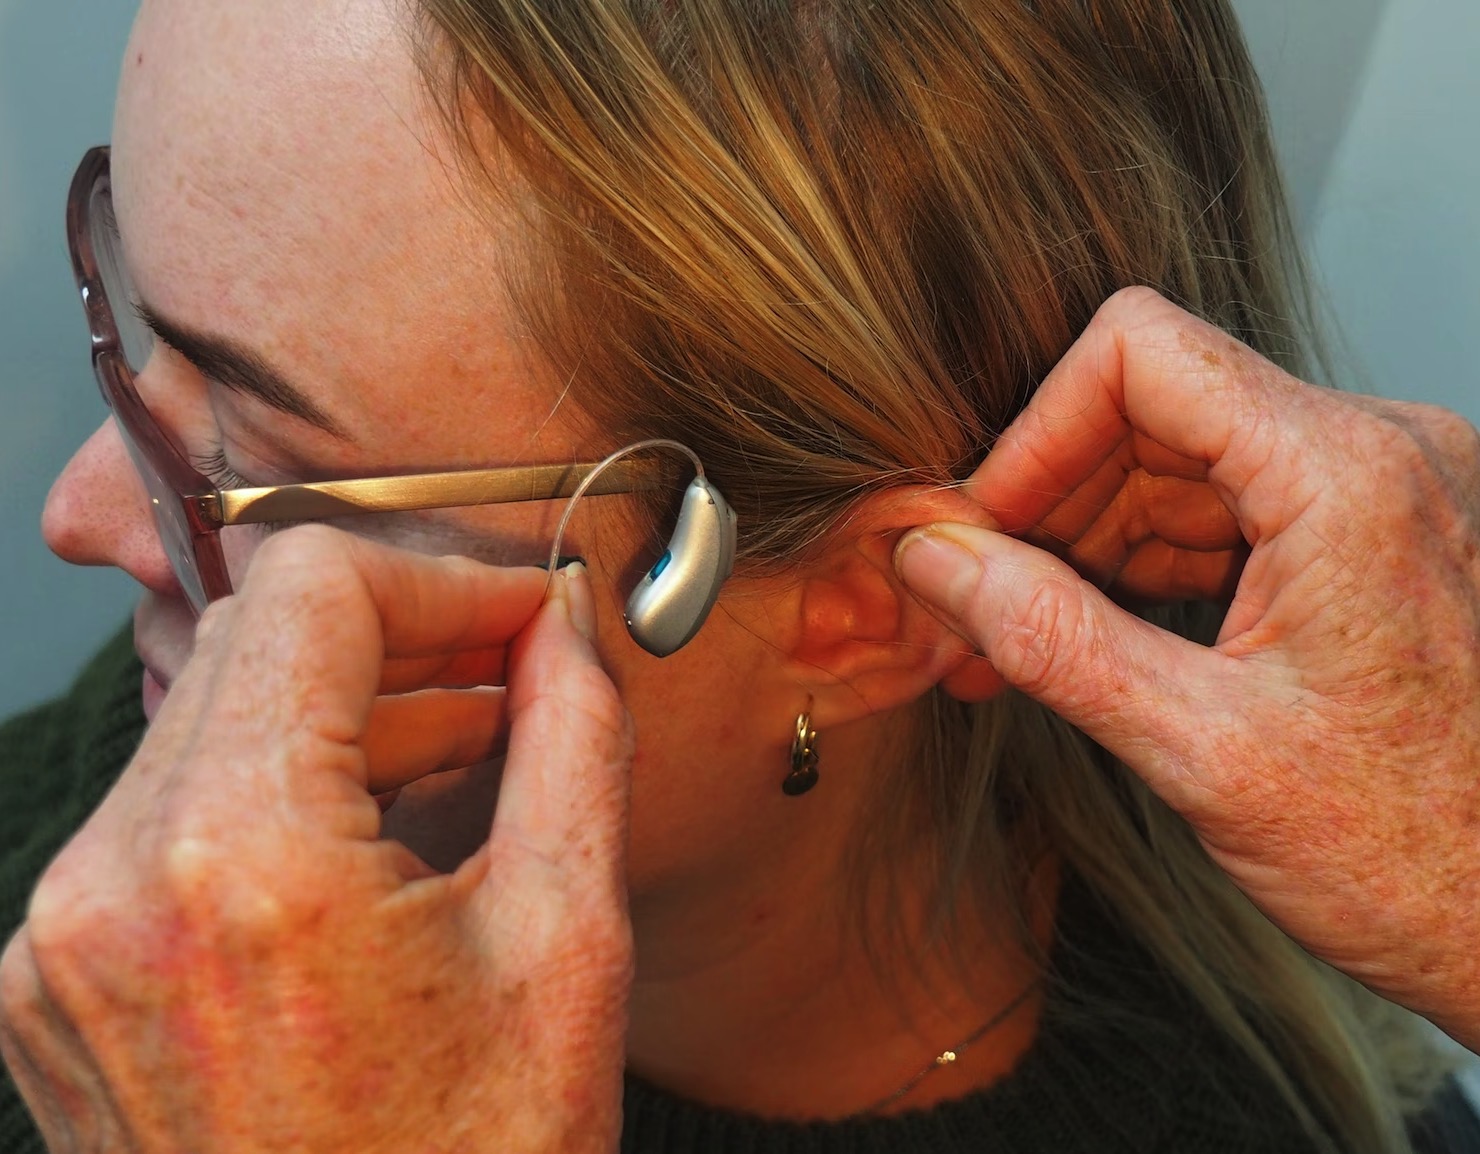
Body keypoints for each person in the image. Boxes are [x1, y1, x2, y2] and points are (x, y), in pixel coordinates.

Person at [0, 0, 1477, 1151]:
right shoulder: (165, 821)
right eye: (131, 322)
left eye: (253, 458)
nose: (77, 514)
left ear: (871, 596)